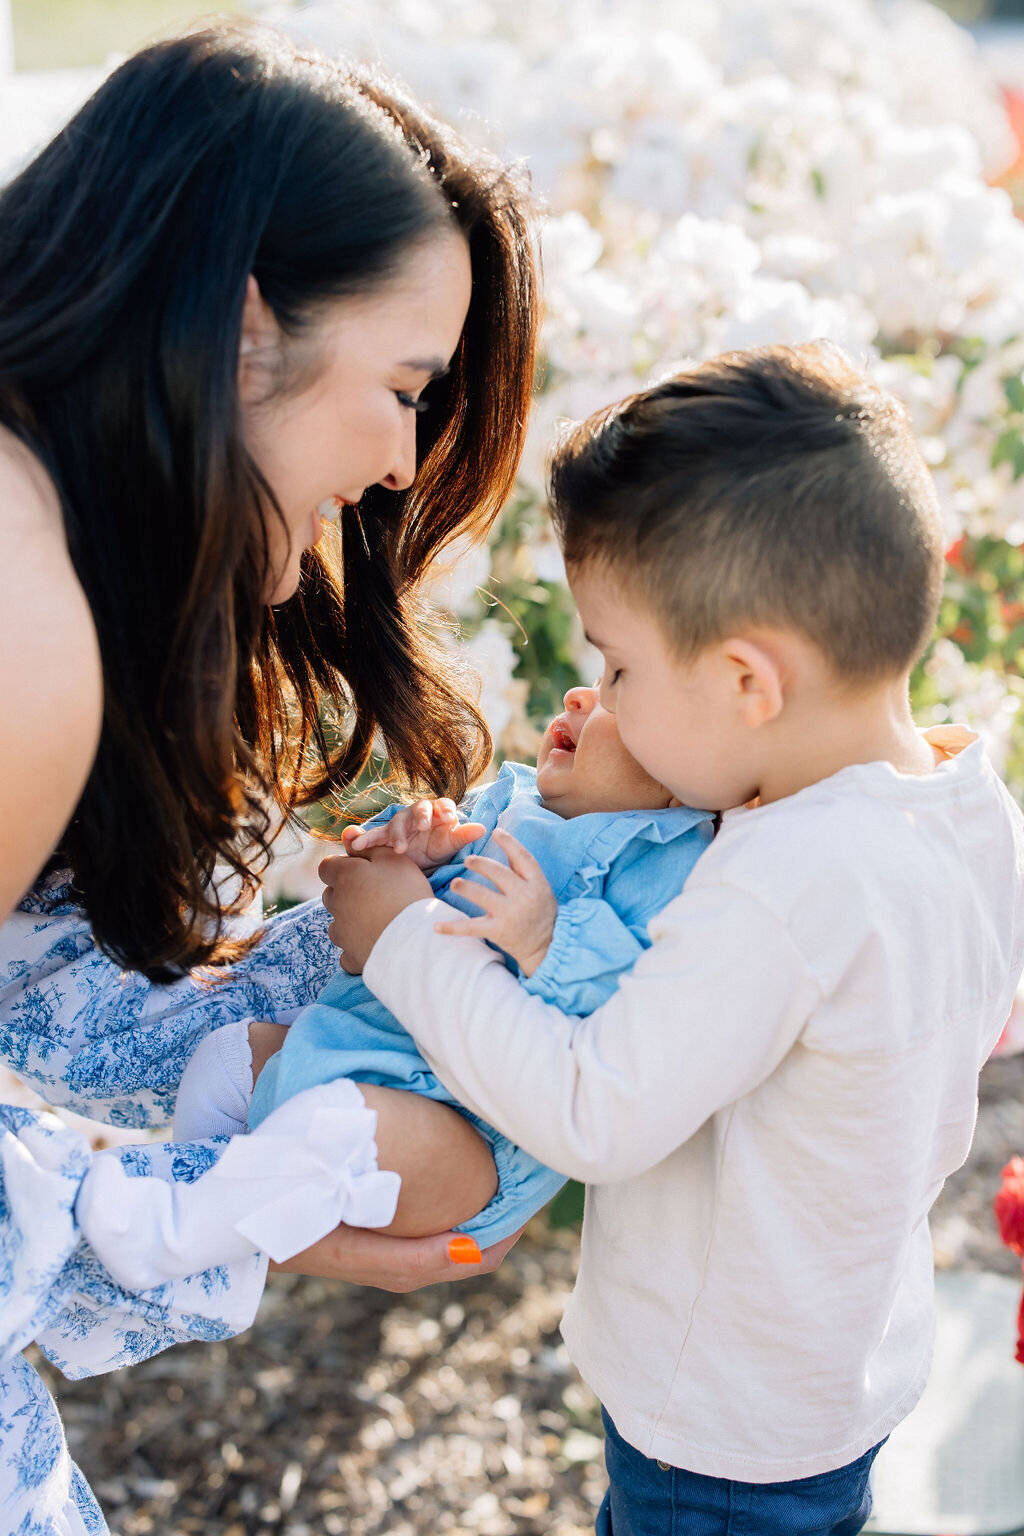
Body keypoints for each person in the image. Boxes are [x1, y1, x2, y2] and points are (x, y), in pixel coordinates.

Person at [319, 342, 1024, 1536]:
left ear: (750, 681)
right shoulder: (964, 803)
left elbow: (597, 1110)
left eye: (622, 664)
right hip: (838, 1364)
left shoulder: (784, 885)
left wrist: (403, 943)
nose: (604, 697)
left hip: (717, 1423)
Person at [0, 21, 537, 1532]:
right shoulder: (21, 611)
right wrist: (223, 1221)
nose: (400, 462)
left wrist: (377, 961)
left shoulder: (55, 546)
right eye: (406, 382)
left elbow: (50, 1000)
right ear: (243, 331)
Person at [173, 683, 714, 1247]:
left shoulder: (664, 855)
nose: (580, 695)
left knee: (334, 1127)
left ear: (683, 773)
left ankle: (200, 1227)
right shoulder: (510, 801)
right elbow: (389, 903)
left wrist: (549, 939)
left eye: (617, 693)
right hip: (354, 1044)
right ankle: (194, 1189)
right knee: (228, 1056)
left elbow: (633, 1006)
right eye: (596, 679)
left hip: (464, 1128)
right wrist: (412, 849)